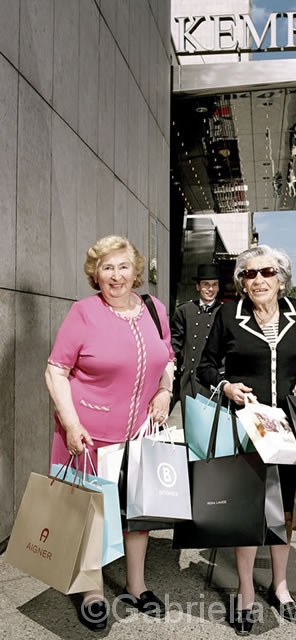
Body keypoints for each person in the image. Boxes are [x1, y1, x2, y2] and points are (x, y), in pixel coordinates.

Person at [45, 235, 175, 631]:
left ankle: (136, 586)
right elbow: (55, 370)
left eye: (123, 267)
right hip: (89, 434)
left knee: (139, 511)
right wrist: (71, 423)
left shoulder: (154, 309)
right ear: (95, 275)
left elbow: (168, 358)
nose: (116, 276)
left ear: (136, 272)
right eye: (107, 268)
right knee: (90, 513)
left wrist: (165, 391)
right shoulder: (83, 313)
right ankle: (92, 591)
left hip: (140, 432)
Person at [197, 244, 296, 635]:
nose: (259, 280)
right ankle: (246, 591)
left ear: (281, 278)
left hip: (288, 428)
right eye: (249, 274)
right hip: (246, 427)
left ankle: (280, 587)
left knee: (283, 511)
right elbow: (205, 366)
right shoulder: (228, 315)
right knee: (247, 510)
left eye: (267, 272)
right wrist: (226, 386)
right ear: (241, 283)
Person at [170, 263, 223, 415]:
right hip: (189, 380)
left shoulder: (224, 312)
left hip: (214, 381)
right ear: (198, 287)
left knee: (214, 423)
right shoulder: (184, 311)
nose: (210, 289)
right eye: (206, 285)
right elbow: (174, 343)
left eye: (214, 285)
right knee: (190, 423)